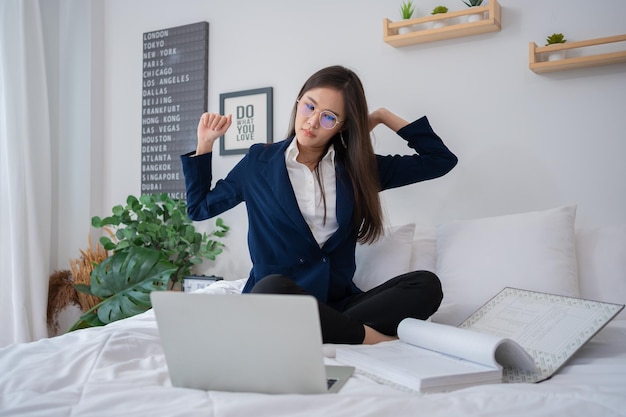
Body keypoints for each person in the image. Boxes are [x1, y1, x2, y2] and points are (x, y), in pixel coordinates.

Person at [181, 65, 457, 345]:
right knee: (272, 287)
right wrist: (205, 144)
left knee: (425, 284)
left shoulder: (359, 169)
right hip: (278, 303)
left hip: (338, 305)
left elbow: (440, 160)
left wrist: (382, 116)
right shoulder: (259, 163)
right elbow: (200, 207)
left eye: (329, 117)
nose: (312, 122)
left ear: (344, 125)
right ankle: (368, 338)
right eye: (309, 107)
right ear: (298, 103)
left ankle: (332, 332)